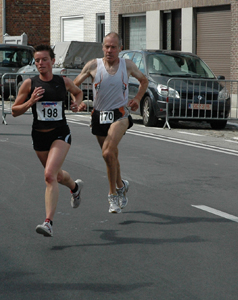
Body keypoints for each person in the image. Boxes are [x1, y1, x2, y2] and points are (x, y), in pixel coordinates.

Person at [12, 44, 84, 237]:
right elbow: (14, 111)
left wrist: (77, 103)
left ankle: (48, 222)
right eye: (37, 60)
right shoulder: (29, 84)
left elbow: (78, 92)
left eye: (44, 59)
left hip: (60, 133)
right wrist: (30, 102)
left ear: (53, 61)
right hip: (39, 135)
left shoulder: (63, 81)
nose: (40, 63)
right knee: (57, 176)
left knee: (49, 175)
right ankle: (75, 188)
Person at [73, 32, 148, 214]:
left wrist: (137, 98)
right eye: (107, 46)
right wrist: (78, 101)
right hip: (99, 116)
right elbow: (74, 85)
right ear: (102, 47)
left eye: (113, 47)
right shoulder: (93, 65)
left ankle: (112, 195)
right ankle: (121, 186)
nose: (109, 50)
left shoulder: (127, 65)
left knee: (107, 152)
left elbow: (143, 80)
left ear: (120, 49)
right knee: (110, 156)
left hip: (120, 115)